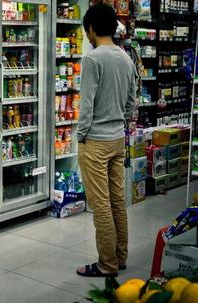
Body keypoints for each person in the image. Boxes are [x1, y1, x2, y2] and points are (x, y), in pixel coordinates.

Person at [76, 3, 136, 277]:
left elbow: (86, 105)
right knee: (116, 202)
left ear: (91, 28)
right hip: (116, 140)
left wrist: (81, 136)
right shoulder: (125, 58)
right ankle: (120, 258)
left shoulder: (93, 58)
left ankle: (106, 264)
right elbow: (131, 103)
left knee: (100, 204)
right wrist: (117, 121)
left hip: (96, 142)